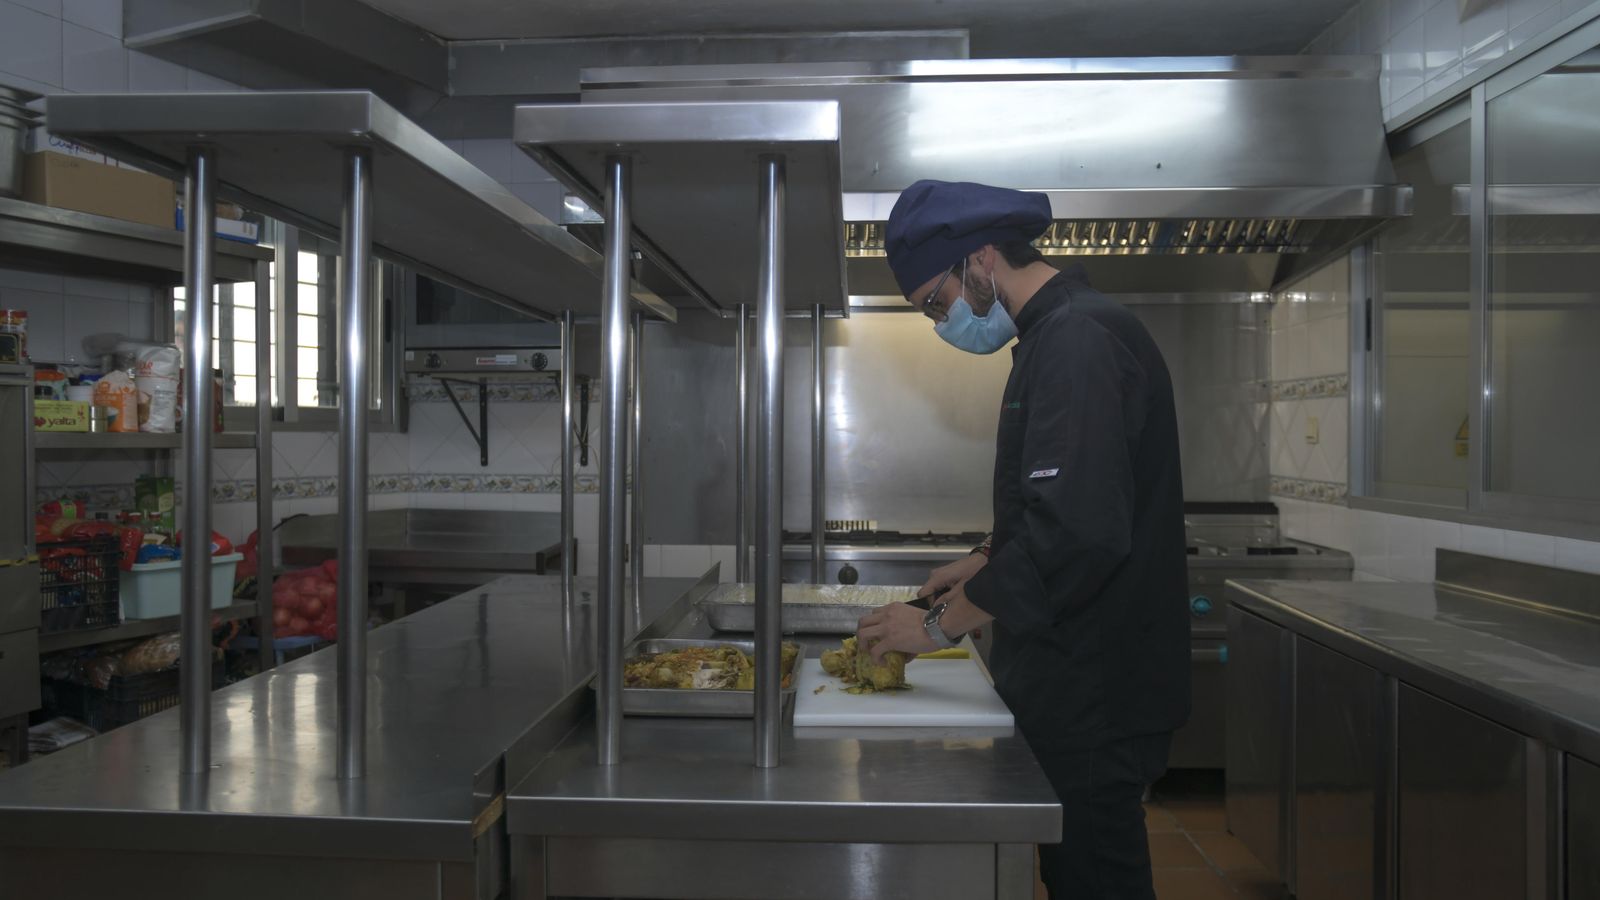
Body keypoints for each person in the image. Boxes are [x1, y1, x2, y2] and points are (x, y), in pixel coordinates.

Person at [856, 180, 1190, 900]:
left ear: (979, 259)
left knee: (1095, 879)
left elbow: (1076, 536)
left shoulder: (1077, 341)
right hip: (1076, 678)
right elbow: (1065, 500)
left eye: (936, 303)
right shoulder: (1051, 337)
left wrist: (936, 627)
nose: (942, 323)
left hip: (1094, 687)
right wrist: (985, 557)